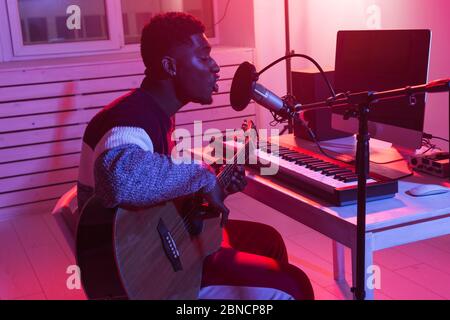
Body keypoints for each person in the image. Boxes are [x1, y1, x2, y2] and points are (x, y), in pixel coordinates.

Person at [77, 12, 314, 300]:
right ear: (170, 66)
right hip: (148, 273)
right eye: (203, 57)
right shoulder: (132, 118)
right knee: (294, 285)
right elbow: (119, 177)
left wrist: (218, 187)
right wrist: (201, 175)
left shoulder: (153, 113)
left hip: (152, 245)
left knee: (269, 241)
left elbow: (155, 199)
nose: (215, 67)